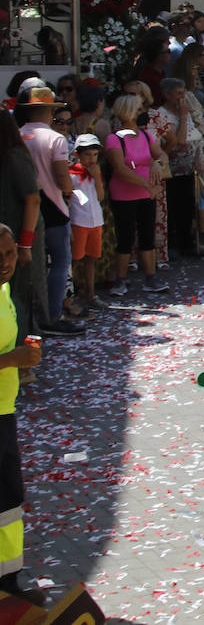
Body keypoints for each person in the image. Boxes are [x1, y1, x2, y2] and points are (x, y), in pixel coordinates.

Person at [16, 84, 82, 337]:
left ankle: (26, 317)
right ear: (50, 111)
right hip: (53, 205)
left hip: (23, 205)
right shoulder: (55, 138)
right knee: (60, 261)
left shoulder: (17, 135)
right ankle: (52, 316)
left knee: (28, 264)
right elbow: (62, 177)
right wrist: (69, 191)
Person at [0, 225, 44, 607]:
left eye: (10, 253)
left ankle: (9, 583)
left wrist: (20, 361)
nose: (4, 263)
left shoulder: (4, 291)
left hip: (5, 412)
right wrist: (12, 359)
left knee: (9, 502)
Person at [106, 93, 170, 296]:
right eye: (139, 109)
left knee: (147, 236)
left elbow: (161, 155)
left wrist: (157, 164)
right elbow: (119, 168)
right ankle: (120, 279)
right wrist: (146, 185)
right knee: (125, 237)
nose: (142, 113)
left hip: (146, 194)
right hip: (124, 194)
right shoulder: (114, 139)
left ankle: (151, 277)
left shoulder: (146, 135)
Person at [0, 112, 44, 346]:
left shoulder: (14, 156)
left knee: (17, 296)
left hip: (15, 240)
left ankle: (20, 351)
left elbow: (33, 199)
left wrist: (24, 245)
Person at [158, 77, 204, 259]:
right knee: (173, 206)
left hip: (188, 167)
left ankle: (188, 243)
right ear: (167, 95)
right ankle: (172, 244)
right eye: (178, 93)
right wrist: (184, 117)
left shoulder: (183, 110)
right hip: (172, 168)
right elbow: (181, 139)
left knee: (187, 207)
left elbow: (193, 135)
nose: (182, 97)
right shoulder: (162, 115)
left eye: (183, 93)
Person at [67, 135, 106, 316]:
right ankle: (71, 295)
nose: (92, 159)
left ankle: (90, 293)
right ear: (77, 154)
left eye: (95, 154)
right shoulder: (71, 173)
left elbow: (100, 197)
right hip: (78, 221)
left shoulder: (95, 172)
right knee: (75, 260)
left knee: (91, 258)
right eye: (88, 155)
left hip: (95, 221)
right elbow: (70, 198)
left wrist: (96, 177)